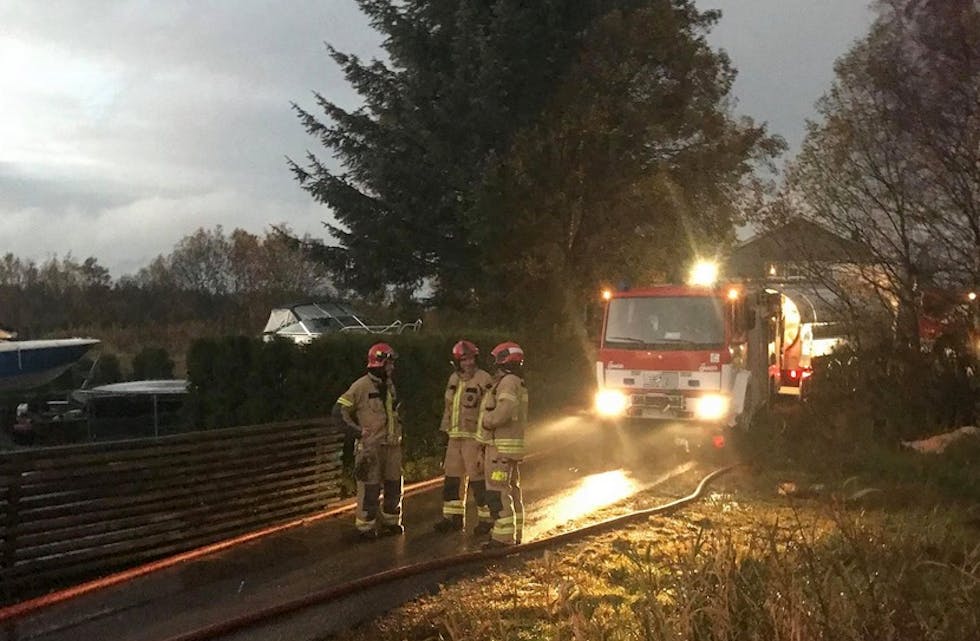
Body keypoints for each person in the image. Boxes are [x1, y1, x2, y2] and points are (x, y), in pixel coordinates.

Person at [333, 342, 404, 540]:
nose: (392, 367)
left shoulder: (389, 386)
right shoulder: (361, 386)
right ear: (380, 363)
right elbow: (339, 411)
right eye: (389, 363)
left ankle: (391, 522)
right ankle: (365, 527)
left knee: (393, 485)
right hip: (371, 448)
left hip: (391, 446)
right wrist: (357, 432)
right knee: (370, 489)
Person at [433, 340, 495, 534]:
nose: (467, 363)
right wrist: (444, 432)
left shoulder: (484, 379)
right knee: (452, 479)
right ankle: (452, 518)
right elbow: (448, 408)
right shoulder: (454, 379)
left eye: (470, 359)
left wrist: (484, 439)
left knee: (478, 480)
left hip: (473, 439)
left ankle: (486, 520)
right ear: (457, 361)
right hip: (454, 438)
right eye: (463, 360)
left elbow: (489, 410)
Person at [477, 341, 528, 549]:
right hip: (509, 450)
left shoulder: (507, 383)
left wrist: (487, 420)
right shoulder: (517, 382)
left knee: (497, 491)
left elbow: (503, 412)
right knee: (511, 490)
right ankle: (514, 535)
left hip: (499, 451)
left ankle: (502, 538)